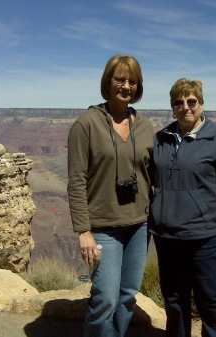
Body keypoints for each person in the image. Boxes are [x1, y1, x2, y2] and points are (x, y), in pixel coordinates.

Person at [149, 78, 216, 337]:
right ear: (172, 106)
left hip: (205, 236)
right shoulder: (160, 139)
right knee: (175, 302)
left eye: (192, 102)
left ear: (202, 104)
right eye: (178, 103)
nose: (185, 107)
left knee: (211, 301)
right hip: (167, 236)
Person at [67, 55, 153, 337]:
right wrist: (83, 231)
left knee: (128, 295)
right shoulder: (87, 123)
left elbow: (155, 174)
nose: (125, 85)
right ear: (108, 81)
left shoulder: (144, 126)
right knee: (105, 297)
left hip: (139, 225)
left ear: (137, 86)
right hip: (103, 227)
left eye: (131, 80)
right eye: (119, 79)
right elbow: (77, 180)